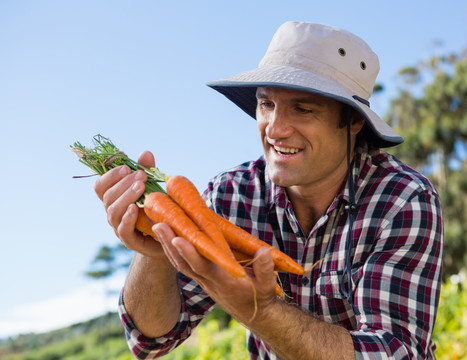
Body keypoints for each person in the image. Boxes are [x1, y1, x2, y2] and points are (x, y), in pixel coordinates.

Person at [95, 21, 443, 359]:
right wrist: (156, 249)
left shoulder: (402, 200)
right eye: (266, 104)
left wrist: (260, 310)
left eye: (302, 109)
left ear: (353, 121)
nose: (274, 129)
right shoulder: (232, 195)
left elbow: (395, 352)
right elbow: (150, 342)